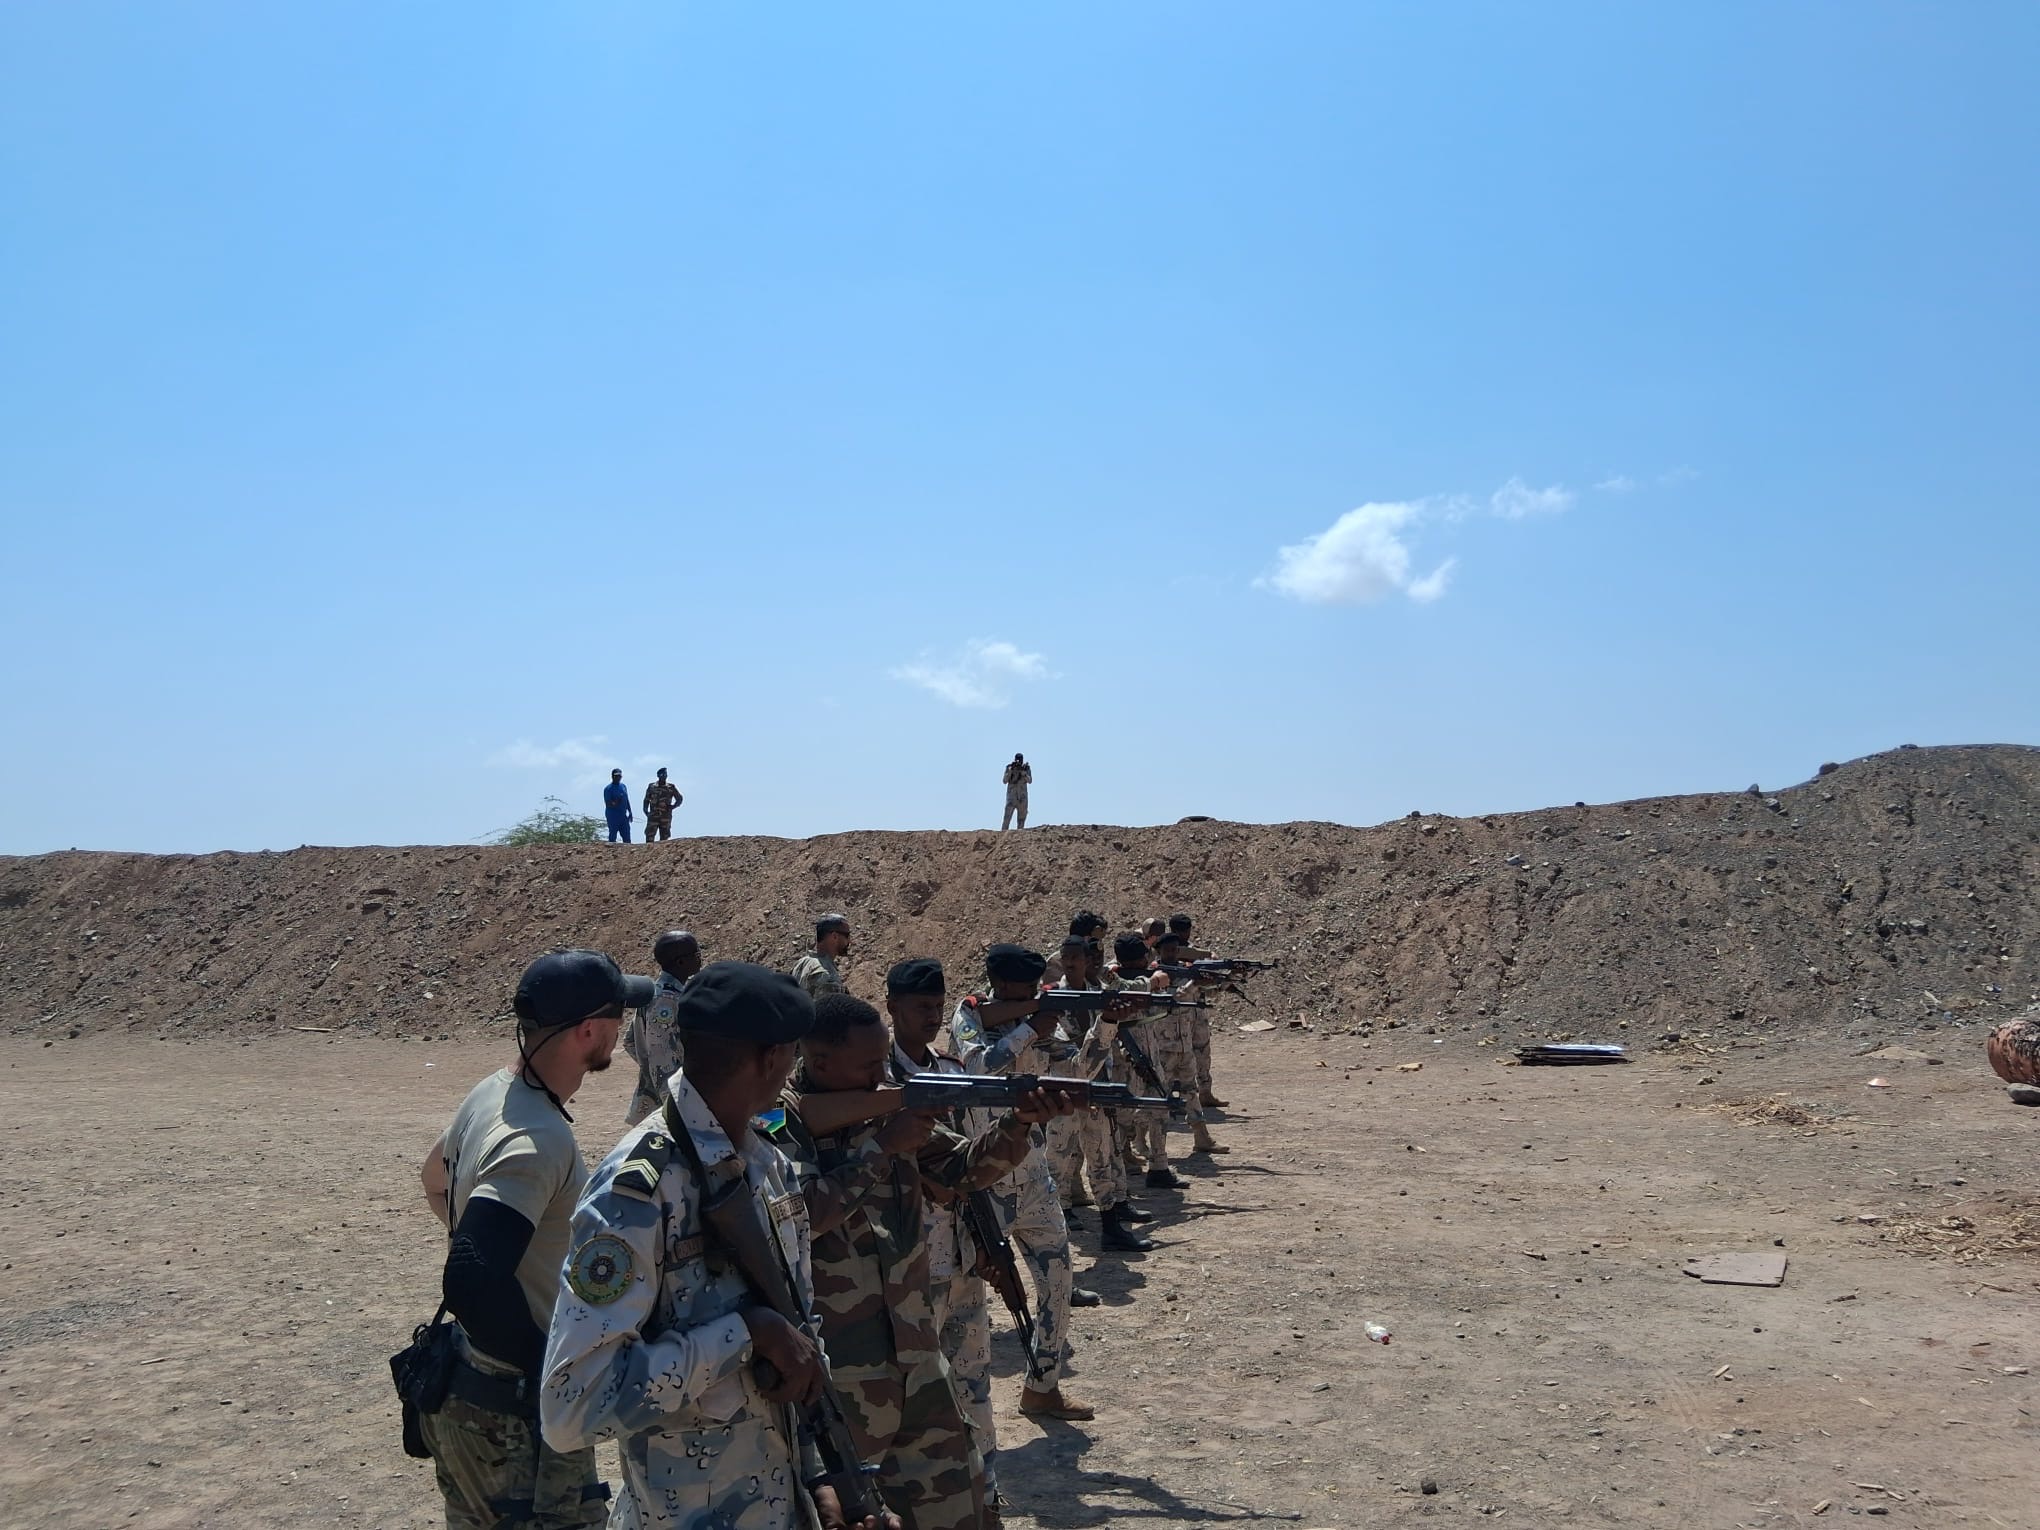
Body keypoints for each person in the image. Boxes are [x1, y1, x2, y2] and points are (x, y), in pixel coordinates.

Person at [541, 962, 899, 1530]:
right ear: (770, 1060)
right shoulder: (637, 1193)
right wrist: (744, 1335)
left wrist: (819, 1480)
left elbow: (797, 1345)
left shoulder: (768, 1165)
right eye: (792, 1054)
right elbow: (570, 1406)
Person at [779, 993, 1071, 1530]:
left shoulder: (886, 1110)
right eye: (870, 1067)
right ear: (820, 1064)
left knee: (961, 1507)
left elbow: (963, 1170)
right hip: (838, 1377)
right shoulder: (779, 1122)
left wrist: (1020, 1123)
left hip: (918, 1357)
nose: (882, 1077)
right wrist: (882, 1148)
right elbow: (801, 1216)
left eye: (884, 1064)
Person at [416, 948, 651, 1530]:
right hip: (514, 1414)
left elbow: (433, 1179)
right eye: (619, 1017)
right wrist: (545, 1375)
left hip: (472, 1381)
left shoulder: (494, 1090)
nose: (623, 1031)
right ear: (589, 1030)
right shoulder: (537, 1140)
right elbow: (470, 1277)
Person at [948, 944, 1098, 1421]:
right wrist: (1031, 1026)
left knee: (1058, 1281)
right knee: (960, 1305)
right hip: (982, 1181)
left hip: (1033, 1177)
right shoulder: (970, 1013)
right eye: (1027, 989)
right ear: (1004, 987)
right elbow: (976, 1065)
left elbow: (1078, 1069)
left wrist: (1108, 1024)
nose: (1035, 993)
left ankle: (1042, 1387)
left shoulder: (1038, 1024)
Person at [882, 959, 1005, 1518]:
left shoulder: (954, 1068)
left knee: (975, 1387)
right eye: (919, 1008)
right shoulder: (875, 1078)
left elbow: (972, 1164)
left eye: (938, 1007)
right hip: (910, 1266)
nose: (932, 1017)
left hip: (960, 1258)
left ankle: (986, 1498)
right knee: (915, 1398)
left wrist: (988, 1243)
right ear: (893, 1009)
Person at [1044, 936, 1153, 1253]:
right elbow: (1064, 1048)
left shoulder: (1095, 994)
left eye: (1078, 957)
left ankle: (1111, 1222)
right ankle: (1058, 1220)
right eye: (1067, 957)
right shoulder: (1053, 998)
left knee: (1102, 1155)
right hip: (1065, 1089)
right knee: (1058, 1161)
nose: (1072, 963)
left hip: (1094, 1087)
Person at [624, 930, 702, 1124]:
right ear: (680, 962)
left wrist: (646, 1065)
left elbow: (630, 1042)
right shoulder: (666, 1001)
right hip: (671, 1105)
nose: (700, 959)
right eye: (696, 955)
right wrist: (673, 1105)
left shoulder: (656, 993)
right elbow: (662, 1059)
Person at [1166, 913, 1227, 1109]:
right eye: (1181, 931)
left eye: (1186, 930)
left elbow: (1206, 984)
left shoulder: (1196, 954)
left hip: (1197, 1009)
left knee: (1202, 1051)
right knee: (1175, 1055)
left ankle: (1205, 1092)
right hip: (1176, 1014)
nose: (1185, 934)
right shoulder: (1166, 952)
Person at [791, 914, 852, 1000]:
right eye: (847, 935)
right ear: (834, 936)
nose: (849, 940)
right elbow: (827, 1011)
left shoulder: (802, 963)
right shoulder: (827, 975)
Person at [642, 768, 684, 842]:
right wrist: (646, 811)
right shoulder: (652, 786)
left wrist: (673, 807)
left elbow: (679, 798)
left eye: (665, 774)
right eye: (662, 775)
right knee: (649, 838)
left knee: (664, 839)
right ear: (658, 775)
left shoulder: (670, 787)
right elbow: (646, 800)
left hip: (665, 817)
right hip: (653, 816)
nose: (663, 776)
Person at [999, 755, 1032, 832]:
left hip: (1022, 798)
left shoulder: (1026, 768)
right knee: (1007, 819)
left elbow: (1030, 781)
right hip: (1011, 798)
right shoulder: (1009, 767)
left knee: (1021, 821)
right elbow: (1004, 781)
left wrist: (1024, 773)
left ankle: (1019, 838)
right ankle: (1002, 835)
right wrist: (1010, 771)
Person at [602, 769, 633, 843]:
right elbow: (608, 804)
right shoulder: (608, 789)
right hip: (613, 816)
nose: (618, 778)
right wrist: (616, 802)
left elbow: (626, 799)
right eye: (616, 776)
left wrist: (630, 811)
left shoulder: (623, 786)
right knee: (613, 836)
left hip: (623, 815)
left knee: (627, 836)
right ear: (612, 776)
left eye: (619, 776)